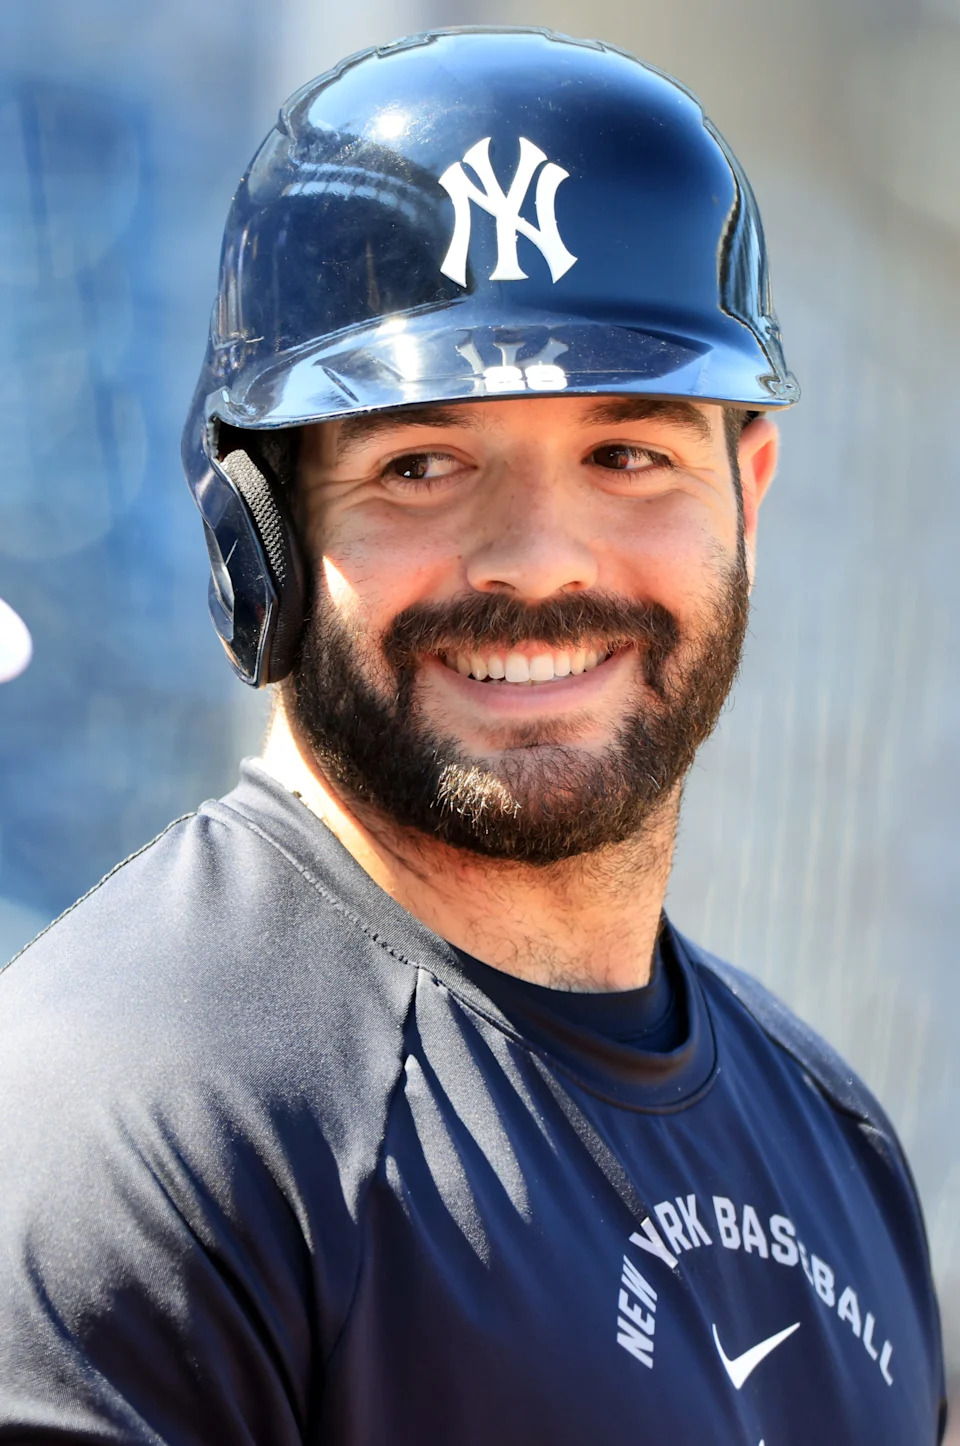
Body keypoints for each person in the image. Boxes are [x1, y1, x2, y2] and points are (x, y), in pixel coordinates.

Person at [0, 27, 946, 1444]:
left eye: (627, 454)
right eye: (422, 463)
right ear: (256, 532)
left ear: (748, 492)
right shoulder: (130, 1128)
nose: (536, 557)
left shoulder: (838, 1140)